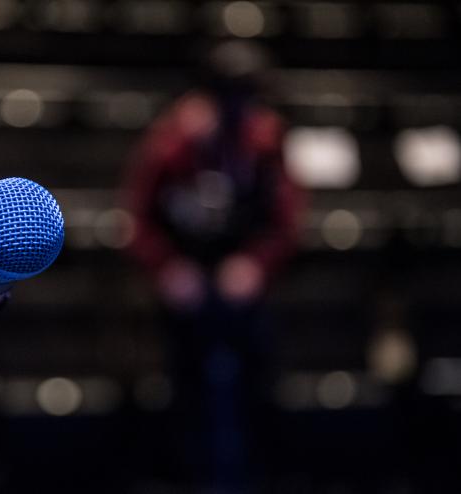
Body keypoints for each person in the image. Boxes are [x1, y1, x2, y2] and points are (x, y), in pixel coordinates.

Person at [123, 41, 303, 493]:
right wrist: (167, 269)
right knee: (184, 390)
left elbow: (287, 220)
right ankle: (186, 475)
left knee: (259, 383)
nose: (238, 112)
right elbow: (138, 219)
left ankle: (261, 473)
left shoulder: (265, 139)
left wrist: (256, 265)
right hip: (185, 285)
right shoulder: (170, 142)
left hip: (245, 287)